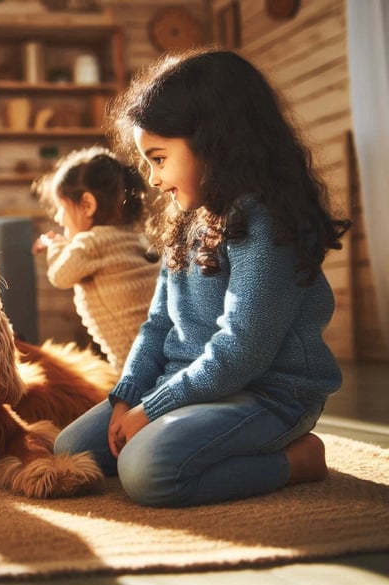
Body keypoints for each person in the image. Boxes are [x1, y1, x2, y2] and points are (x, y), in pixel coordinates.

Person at [54, 48, 351, 508]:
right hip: (192, 385)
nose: (153, 179)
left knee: (146, 470)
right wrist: (128, 395)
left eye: (158, 158)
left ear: (215, 143)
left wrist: (152, 410)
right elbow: (157, 325)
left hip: (267, 396)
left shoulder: (266, 223)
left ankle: (297, 461)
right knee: (70, 451)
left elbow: (242, 351)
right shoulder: (186, 220)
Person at [31, 145, 158, 371]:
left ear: (87, 205)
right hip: (159, 353)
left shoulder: (91, 244)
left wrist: (56, 245)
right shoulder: (135, 240)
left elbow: (60, 275)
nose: (59, 219)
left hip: (136, 367)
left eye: (61, 208)